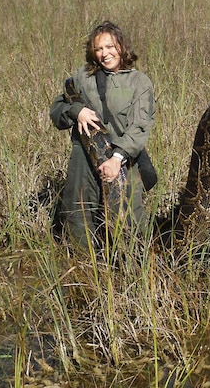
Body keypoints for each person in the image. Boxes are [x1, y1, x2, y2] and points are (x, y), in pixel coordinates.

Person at [50, 21, 156, 250]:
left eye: (110, 46)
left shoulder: (139, 82)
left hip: (123, 158)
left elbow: (140, 126)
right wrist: (76, 111)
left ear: (121, 45)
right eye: (98, 49)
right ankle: (85, 271)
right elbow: (57, 111)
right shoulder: (81, 77)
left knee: (130, 222)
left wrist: (117, 158)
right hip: (83, 156)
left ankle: (130, 272)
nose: (105, 54)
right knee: (78, 214)